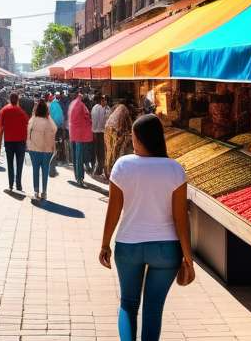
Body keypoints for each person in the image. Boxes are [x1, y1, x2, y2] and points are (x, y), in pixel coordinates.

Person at [99, 114, 194, 341]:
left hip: (128, 245)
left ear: (140, 139)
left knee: (128, 304)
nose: (132, 142)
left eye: (133, 137)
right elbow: (181, 218)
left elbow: (113, 211)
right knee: (153, 308)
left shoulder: (123, 166)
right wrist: (188, 258)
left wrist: (104, 245)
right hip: (166, 249)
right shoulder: (174, 170)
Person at [0, 93, 30, 193]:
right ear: (18, 100)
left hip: (9, 141)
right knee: (20, 164)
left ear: (9, 100)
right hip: (21, 141)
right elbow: (27, 125)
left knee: (10, 163)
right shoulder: (22, 112)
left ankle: (11, 184)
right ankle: (18, 184)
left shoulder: (4, 110)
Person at [27, 100, 57, 202]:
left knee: (35, 170)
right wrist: (49, 117)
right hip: (47, 150)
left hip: (34, 150)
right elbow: (55, 129)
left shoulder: (33, 120)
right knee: (45, 171)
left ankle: (36, 191)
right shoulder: (48, 121)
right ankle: (44, 192)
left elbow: (28, 133)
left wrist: (29, 146)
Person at [68, 90, 93, 187]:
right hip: (79, 135)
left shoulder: (71, 105)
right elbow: (87, 117)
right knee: (79, 157)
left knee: (75, 157)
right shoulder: (81, 105)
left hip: (73, 134)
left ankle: (77, 176)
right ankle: (80, 178)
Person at [104, 101, 134, 180]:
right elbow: (130, 125)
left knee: (109, 152)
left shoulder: (117, 106)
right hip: (115, 130)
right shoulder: (125, 110)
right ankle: (114, 172)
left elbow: (108, 117)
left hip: (107, 128)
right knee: (115, 152)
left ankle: (108, 171)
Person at [91, 95, 110, 177]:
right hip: (98, 132)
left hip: (101, 132)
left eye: (105, 100)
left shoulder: (107, 109)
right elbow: (95, 120)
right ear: (100, 101)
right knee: (98, 151)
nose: (104, 102)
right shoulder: (97, 108)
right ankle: (98, 168)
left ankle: (100, 169)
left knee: (101, 151)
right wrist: (94, 130)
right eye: (103, 100)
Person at [49, 92, 67, 168]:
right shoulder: (58, 105)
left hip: (54, 126)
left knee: (54, 142)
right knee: (60, 142)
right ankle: (61, 158)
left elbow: (49, 116)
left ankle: (55, 158)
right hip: (60, 126)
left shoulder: (51, 105)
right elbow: (61, 116)